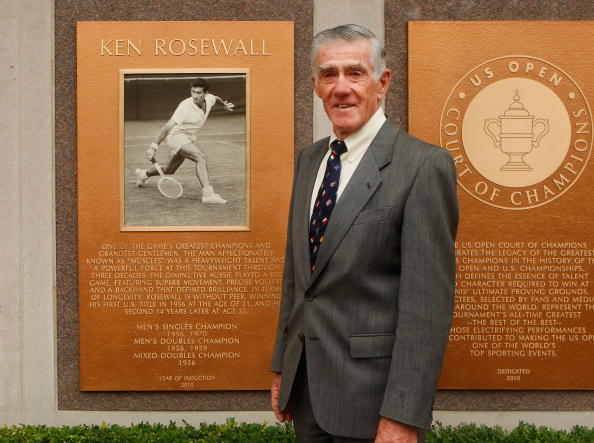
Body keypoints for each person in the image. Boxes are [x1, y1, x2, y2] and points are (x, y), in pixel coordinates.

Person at [270, 24, 458, 442]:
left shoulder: (423, 166)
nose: (341, 88)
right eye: (329, 74)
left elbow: (426, 308)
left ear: (382, 82)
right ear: (315, 85)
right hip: (308, 396)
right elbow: (298, 277)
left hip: (374, 407)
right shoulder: (311, 159)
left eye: (355, 73)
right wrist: (284, 365)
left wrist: (404, 415)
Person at [135, 78, 234, 204]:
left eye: (199, 93)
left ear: (205, 94)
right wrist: (153, 147)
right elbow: (166, 127)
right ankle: (208, 194)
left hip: (188, 137)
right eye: (193, 92)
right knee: (200, 156)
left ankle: (143, 174)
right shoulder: (185, 107)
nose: (195, 95)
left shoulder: (209, 99)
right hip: (176, 136)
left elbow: (216, 98)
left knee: (169, 169)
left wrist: (224, 105)